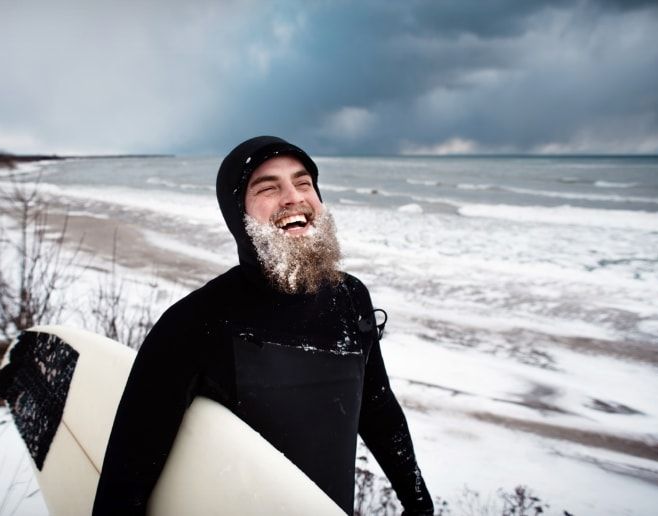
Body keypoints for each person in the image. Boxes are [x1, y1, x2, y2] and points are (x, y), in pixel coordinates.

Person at [93, 136, 434, 515]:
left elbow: (376, 405)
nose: (294, 197)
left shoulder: (351, 297)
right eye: (268, 188)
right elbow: (126, 478)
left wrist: (418, 500)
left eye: (304, 183)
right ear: (237, 215)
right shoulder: (196, 321)